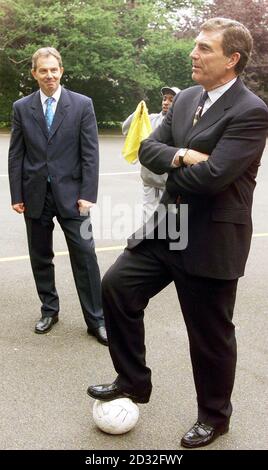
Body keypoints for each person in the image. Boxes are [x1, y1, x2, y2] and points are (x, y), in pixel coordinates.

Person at [87, 18, 268, 447]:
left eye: (205, 48)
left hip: (212, 237)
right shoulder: (186, 98)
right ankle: (133, 381)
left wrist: (172, 170)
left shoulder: (251, 111)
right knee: (116, 287)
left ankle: (214, 417)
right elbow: (148, 149)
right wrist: (185, 155)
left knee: (208, 335)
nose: (194, 54)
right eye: (196, 46)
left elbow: (214, 179)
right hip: (169, 227)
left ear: (232, 59)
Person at [8, 47, 108, 346]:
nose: (49, 75)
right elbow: (16, 154)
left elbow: (90, 153)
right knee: (41, 257)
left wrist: (88, 194)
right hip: (35, 194)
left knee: (85, 257)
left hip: (74, 196)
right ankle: (49, 310)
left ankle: (97, 319)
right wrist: (17, 194)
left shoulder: (81, 105)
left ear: (61, 71)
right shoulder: (22, 108)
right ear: (34, 73)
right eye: (43, 71)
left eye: (54, 70)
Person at [122, 86, 180, 222]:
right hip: (149, 181)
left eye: (171, 100)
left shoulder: (180, 124)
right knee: (148, 221)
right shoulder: (151, 119)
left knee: (167, 221)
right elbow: (126, 130)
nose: (166, 102)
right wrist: (137, 114)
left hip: (169, 184)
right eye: (165, 99)